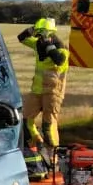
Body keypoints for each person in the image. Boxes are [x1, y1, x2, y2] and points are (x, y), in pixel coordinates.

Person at [16, 17, 69, 151]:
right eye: (37, 34)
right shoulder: (38, 44)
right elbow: (21, 37)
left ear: (50, 34)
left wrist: (49, 46)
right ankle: (37, 145)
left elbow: (59, 60)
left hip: (53, 92)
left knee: (48, 126)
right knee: (26, 120)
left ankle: (53, 158)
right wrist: (31, 30)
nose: (39, 38)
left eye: (41, 34)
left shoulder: (61, 48)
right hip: (36, 91)